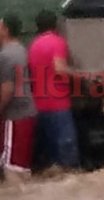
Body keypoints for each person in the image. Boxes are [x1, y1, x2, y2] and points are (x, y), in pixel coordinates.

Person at [28, 10, 80, 172]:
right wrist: (82, 76)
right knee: (68, 161)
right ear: (55, 24)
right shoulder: (57, 42)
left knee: (52, 161)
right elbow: (59, 69)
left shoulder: (33, 45)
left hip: (39, 105)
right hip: (58, 105)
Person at [0, 14, 37, 182]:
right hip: (26, 113)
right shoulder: (20, 49)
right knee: (21, 168)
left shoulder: (6, 55)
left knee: (10, 169)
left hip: (15, 117)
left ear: (6, 30)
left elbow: (7, 89)